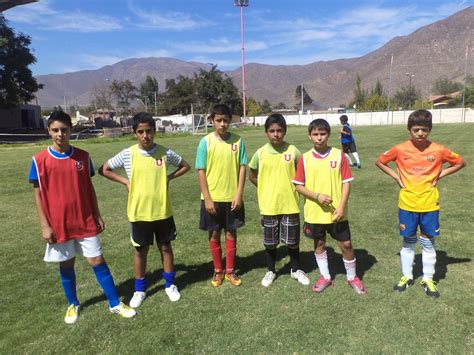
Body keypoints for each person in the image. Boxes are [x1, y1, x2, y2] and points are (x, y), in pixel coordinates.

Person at [29, 111, 136, 324]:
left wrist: (97, 214)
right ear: (49, 131)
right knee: (66, 265)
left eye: (64, 130)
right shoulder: (39, 160)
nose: (60, 134)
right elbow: (38, 194)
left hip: (85, 220)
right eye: (55, 130)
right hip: (59, 224)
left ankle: (114, 303)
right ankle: (73, 304)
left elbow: (89, 188)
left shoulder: (83, 157)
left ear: (71, 130)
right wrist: (44, 225)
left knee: (97, 260)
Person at [100, 112, 190, 308]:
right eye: (140, 132)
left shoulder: (164, 153)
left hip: (162, 211)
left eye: (149, 131)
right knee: (140, 251)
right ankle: (140, 289)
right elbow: (104, 169)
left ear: (154, 132)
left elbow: (185, 166)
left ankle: (170, 284)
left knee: (165, 247)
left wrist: (169, 177)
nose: (145, 135)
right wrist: (125, 181)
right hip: (139, 212)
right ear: (135, 133)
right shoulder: (128, 154)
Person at [375, 109, 465, 298]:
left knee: (428, 243)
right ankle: (407, 276)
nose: (420, 133)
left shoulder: (438, 150)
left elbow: (460, 162)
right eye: (416, 129)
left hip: (429, 204)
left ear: (430, 130)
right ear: (409, 129)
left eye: (424, 129)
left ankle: (428, 278)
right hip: (407, 204)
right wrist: (396, 177)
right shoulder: (400, 149)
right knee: (408, 242)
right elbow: (381, 161)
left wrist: (441, 174)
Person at [293, 118, 367, 295]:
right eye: (315, 134)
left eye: (323, 134)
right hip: (314, 213)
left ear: (328, 135)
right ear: (310, 136)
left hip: (337, 213)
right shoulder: (304, 158)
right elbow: (298, 185)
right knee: (319, 243)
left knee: (346, 244)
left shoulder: (338, 155)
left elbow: (347, 183)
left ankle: (352, 277)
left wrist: (341, 207)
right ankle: (325, 276)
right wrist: (317, 196)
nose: (319, 138)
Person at [249, 114, 310, 287]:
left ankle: (295, 269)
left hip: (290, 204)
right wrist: (264, 187)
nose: (276, 134)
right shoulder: (260, 153)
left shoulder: (293, 151)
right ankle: (271, 270)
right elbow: (252, 174)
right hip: (268, 206)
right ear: (266, 133)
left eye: (279, 131)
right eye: (272, 131)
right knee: (270, 242)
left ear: (285, 131)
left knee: (292, 241)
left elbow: (301, 173)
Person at [196, 104, 247, 287]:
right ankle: (218, 270)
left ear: (230, 120)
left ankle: (230, 270)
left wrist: (239, 194)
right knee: (214, 234)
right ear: (212, 121)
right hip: (213, 199)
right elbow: (201, 171)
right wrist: (207, 198)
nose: (223, 124)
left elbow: (242, 168)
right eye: (218, 120)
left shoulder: (238, 141)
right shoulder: (206, 142)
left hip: (232, 198)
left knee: (231, 233)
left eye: (226, 120)